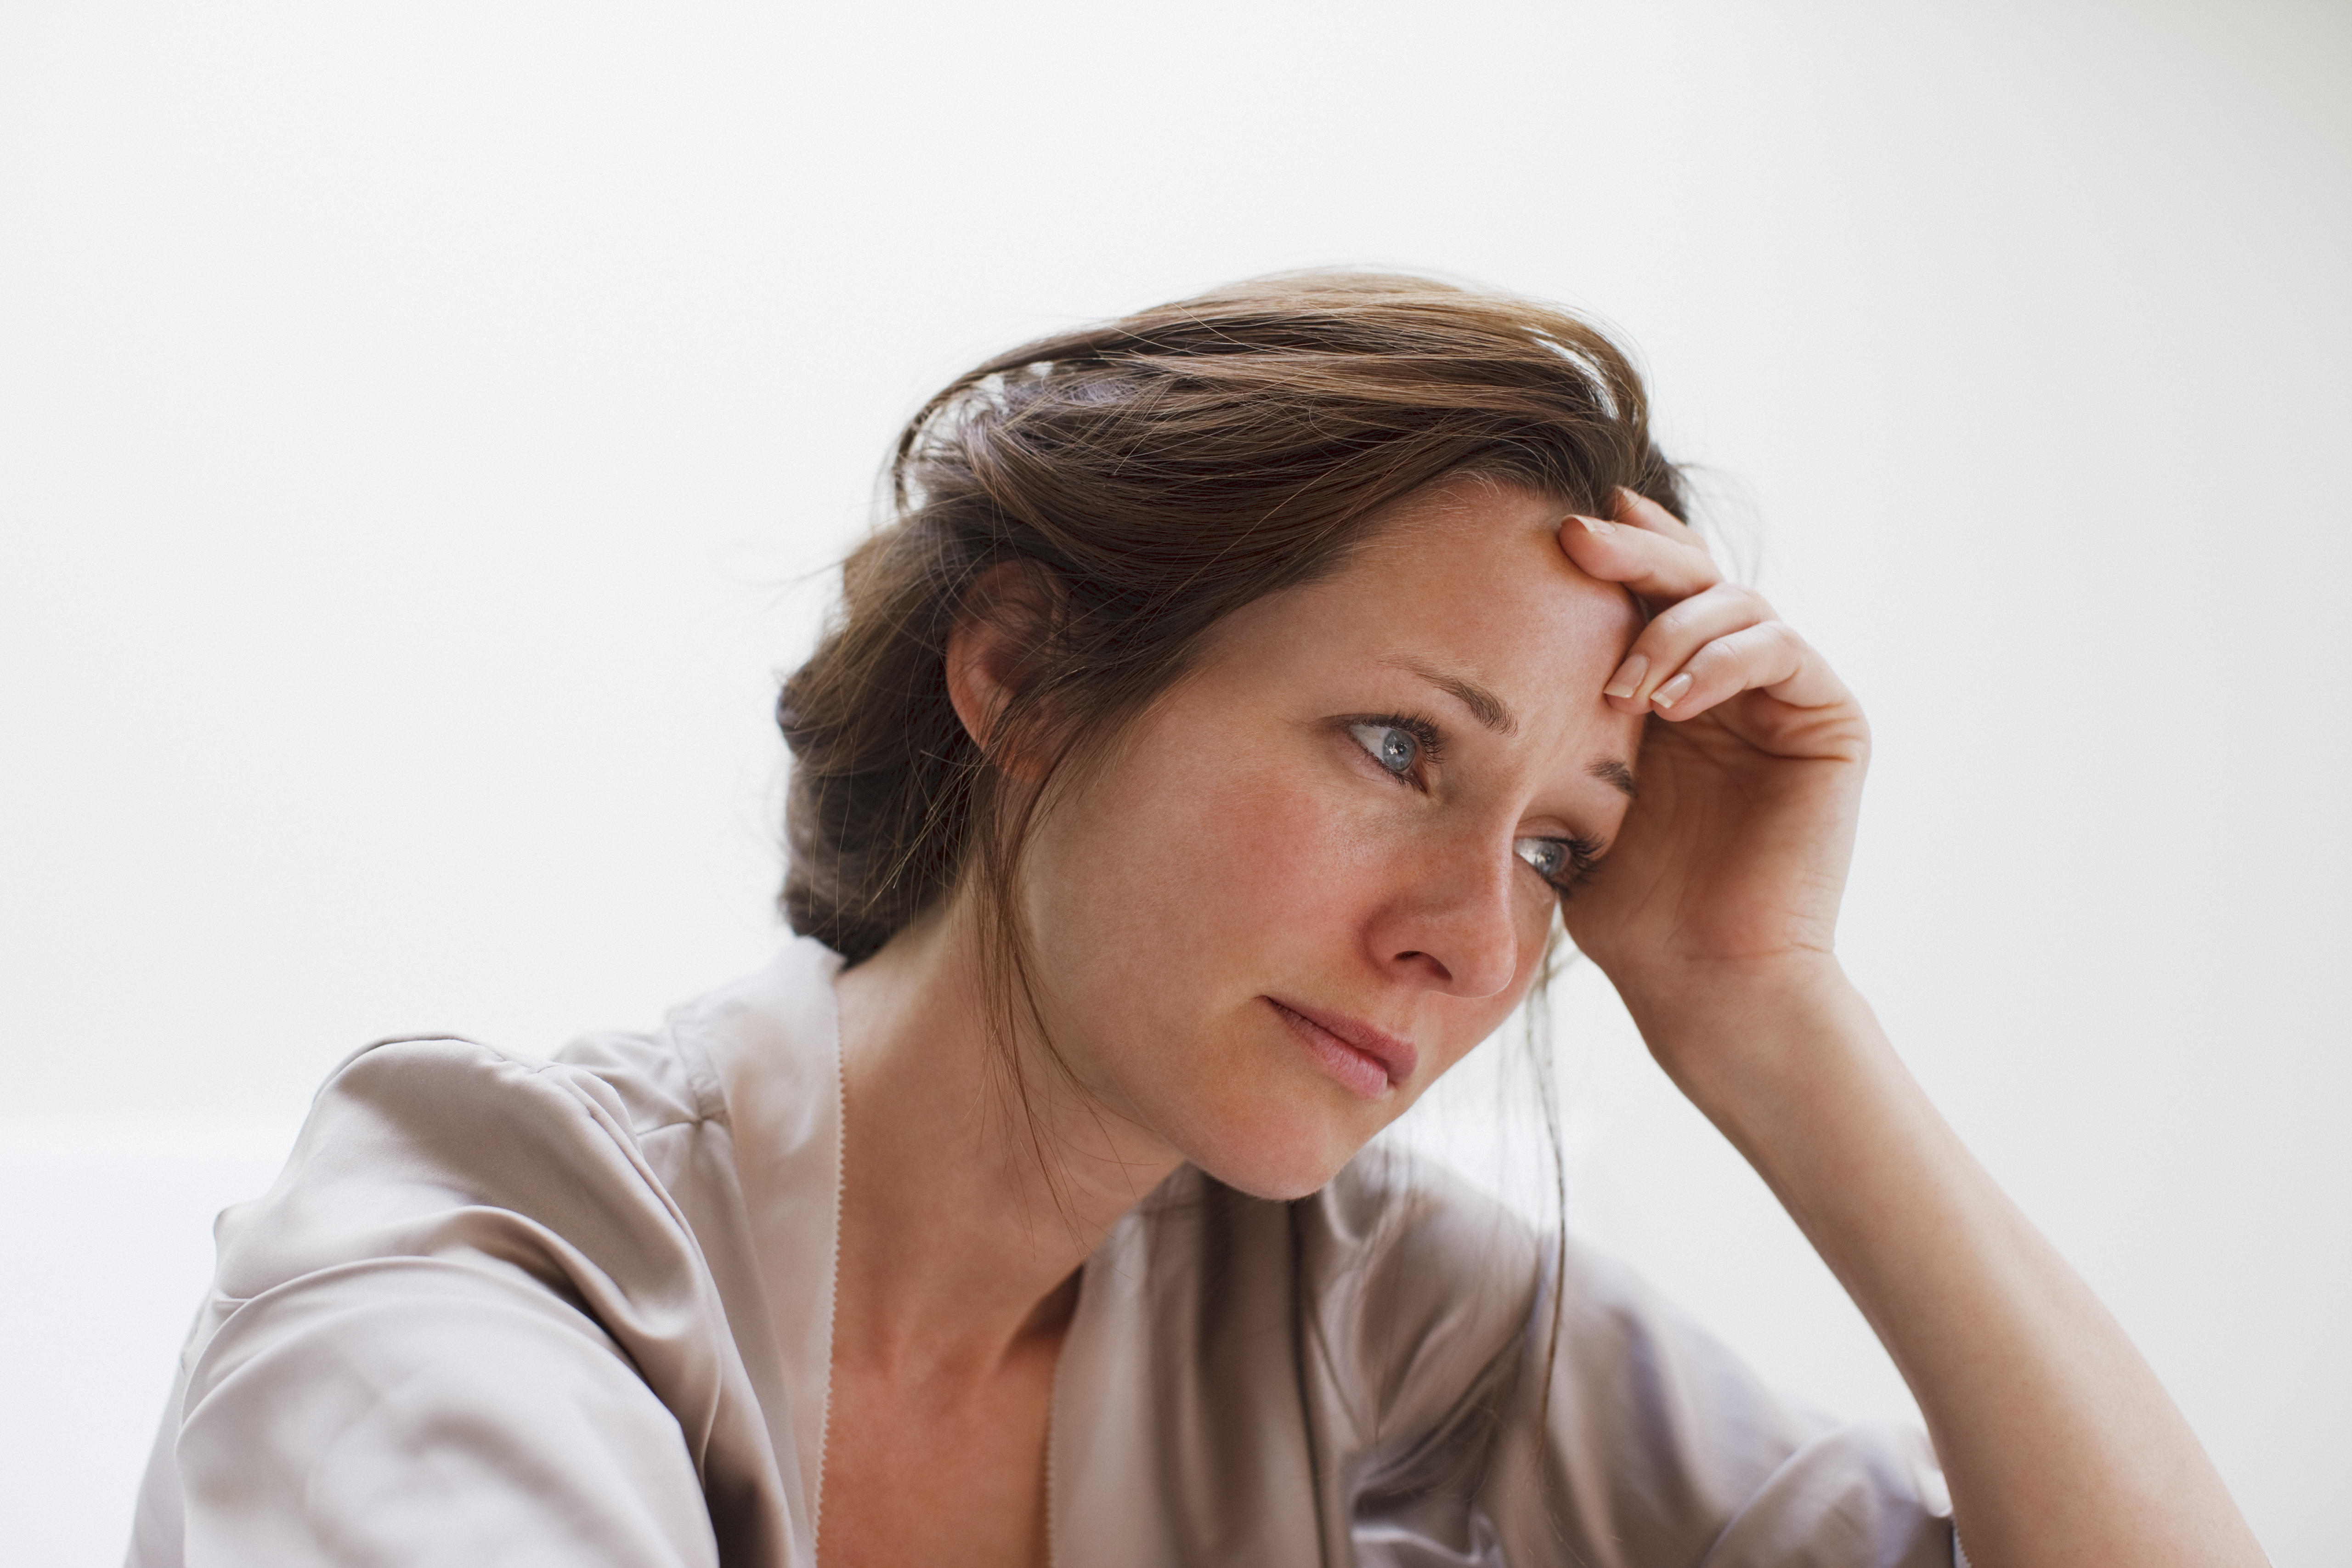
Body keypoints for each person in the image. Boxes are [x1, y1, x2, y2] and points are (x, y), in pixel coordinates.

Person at [126, 273, 2265, 1568]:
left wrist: (1760, 1003)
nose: (1471, 940)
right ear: (1023, 672)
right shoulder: (482, 1232)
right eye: (1400, 747)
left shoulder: (1368, 1303)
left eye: (1555, 847)